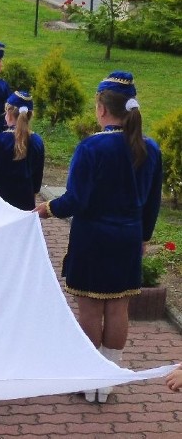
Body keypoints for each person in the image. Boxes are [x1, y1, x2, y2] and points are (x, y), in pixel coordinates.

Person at [35, 72, 162, 403]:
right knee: (119, 308)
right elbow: (152, 202)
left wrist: (45, 209)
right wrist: (143, 237)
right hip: (127, 238)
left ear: (102, 109)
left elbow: (75, 199)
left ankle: (89, 380)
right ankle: (107, 383)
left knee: (90, 309)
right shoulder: (150, 148)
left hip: (92, 238)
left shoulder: (91, 146)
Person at [0, 91, 45, 211]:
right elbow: (37, 178)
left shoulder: (1, 139)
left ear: (8, 113)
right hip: (25, 200)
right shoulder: (37, 141)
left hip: (0, 200)